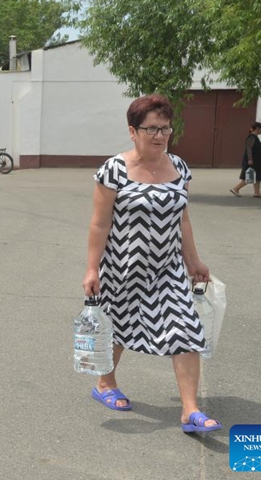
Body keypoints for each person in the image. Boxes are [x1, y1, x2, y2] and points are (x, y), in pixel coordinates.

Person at [83, 94, 220, 434]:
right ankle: (105, 383)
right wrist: (92, 268)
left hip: (167, 269)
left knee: (186, 328)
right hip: (123, 266)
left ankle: (190, 410)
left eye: (165, 128)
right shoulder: (114, 169)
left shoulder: (179, 167)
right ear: (133, 131)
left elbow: (182, 219)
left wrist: (193, 261)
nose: (160, 135)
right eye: (151, 129)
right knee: (117, 327)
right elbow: (99, 224)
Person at [230, 122, 261, 198]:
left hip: (257, 161)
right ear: (257, 128)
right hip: (252, 161)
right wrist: (250, 159)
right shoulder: (251, 137)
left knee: (258, 176)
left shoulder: (255, 137)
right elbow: (249, 148)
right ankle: (235, 189)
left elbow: (255, 148)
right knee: (250, 176)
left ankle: (257, 193)